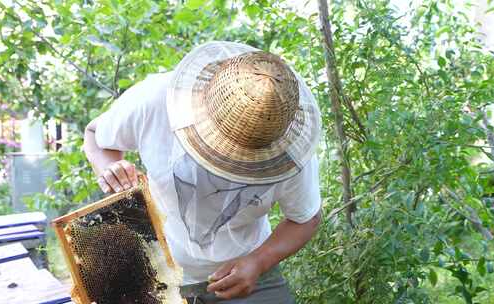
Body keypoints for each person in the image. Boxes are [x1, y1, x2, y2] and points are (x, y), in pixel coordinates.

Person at [83, 41, 322, 303]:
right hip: (158, 278)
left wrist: (258, 262)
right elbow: (96, 136)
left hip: (247, 276)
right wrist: (110, 169)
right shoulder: (154, 99)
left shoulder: (292, 153)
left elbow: (305, 218)